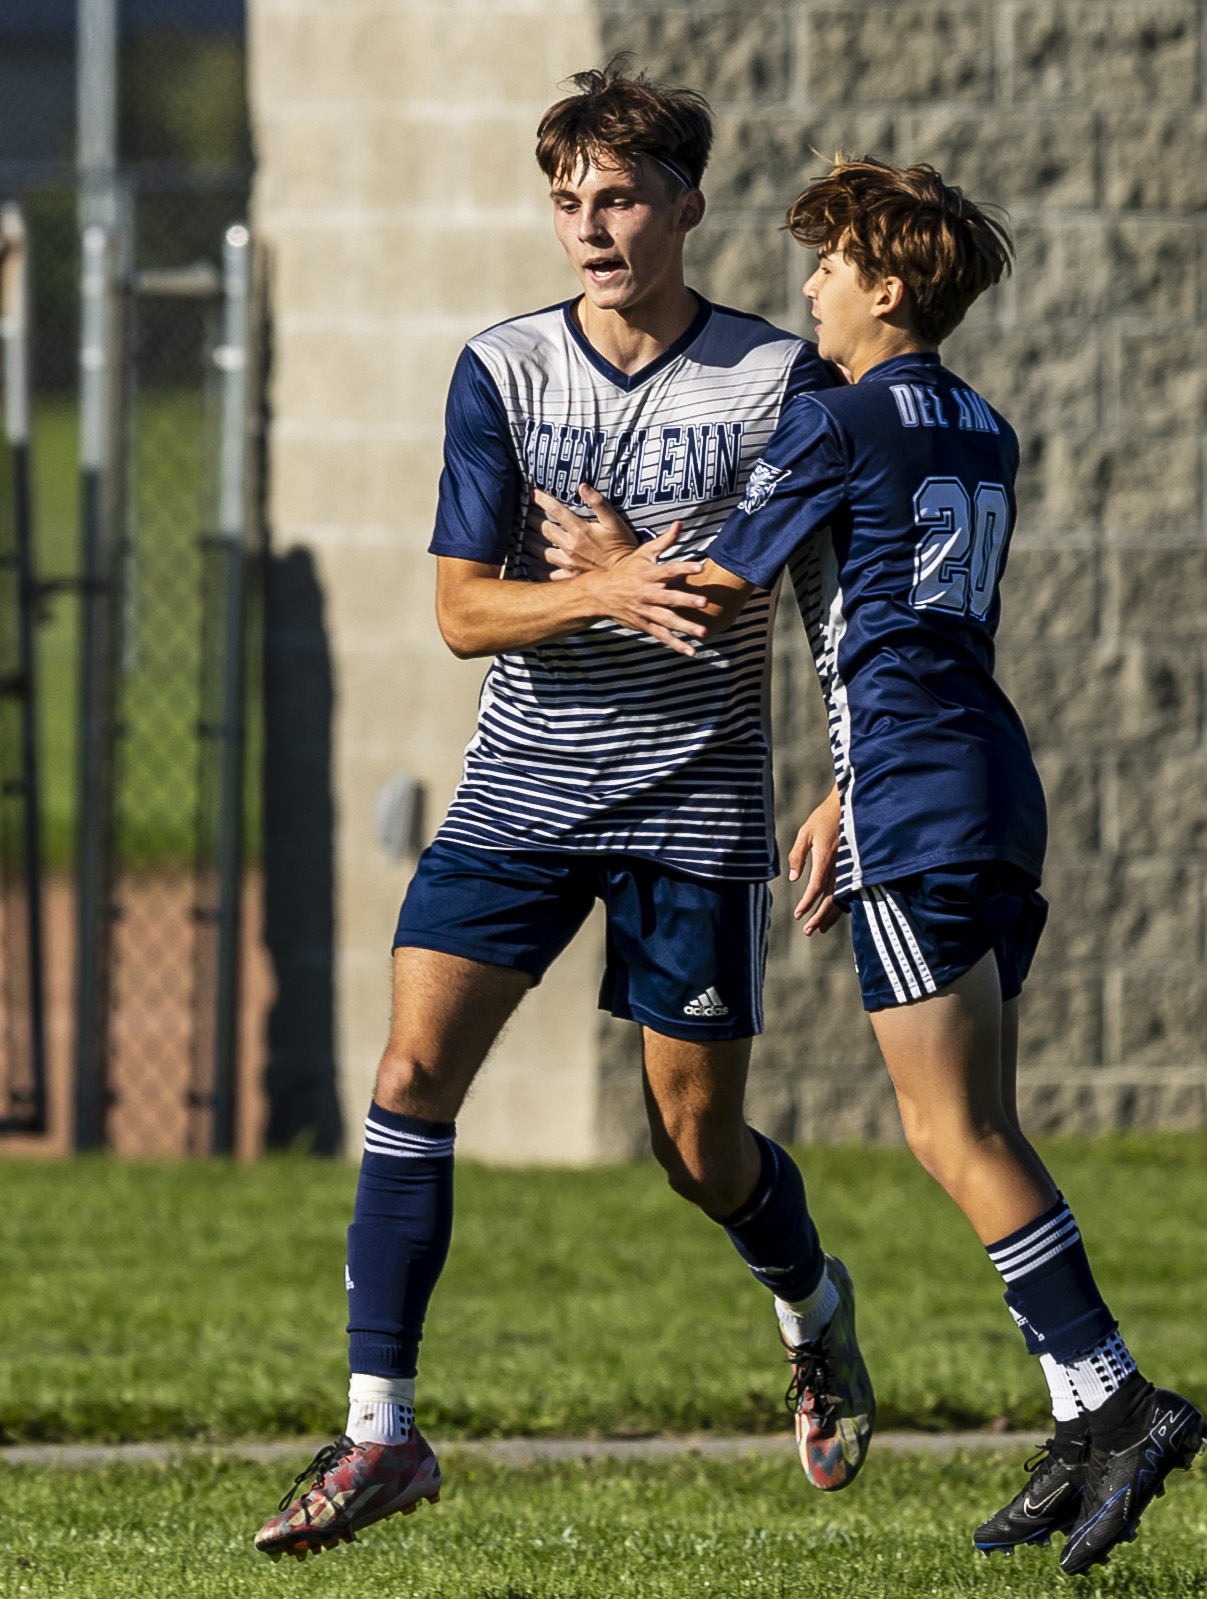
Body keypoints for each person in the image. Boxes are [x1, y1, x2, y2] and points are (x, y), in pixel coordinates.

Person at [541, 157, 1207, 1576]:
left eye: (829, 268)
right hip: (978, 779)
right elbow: (911, 619)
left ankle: (1115, 1402)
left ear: (888, 287)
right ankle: (1083, 1417)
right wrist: (845, 788)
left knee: (948, 1135)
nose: (808, 290)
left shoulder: (840, 421)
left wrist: (605, 562)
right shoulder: (979, 422)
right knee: (985, 1126)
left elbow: (720, 589)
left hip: (923, 798)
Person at [253, 61, 874, 1563]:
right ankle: (383, 1433)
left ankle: (811, 1301)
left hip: (695, 809)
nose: (589, 228)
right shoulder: (504, 370)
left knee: (695, 1148)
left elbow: (814, 611)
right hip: (521, 791)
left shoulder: (776, 382)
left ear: (685, 207)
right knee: (410, 1075)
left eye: (618, 198)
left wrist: (854, 783)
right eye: (566, 200)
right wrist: (604, 584)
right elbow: (466, 615)